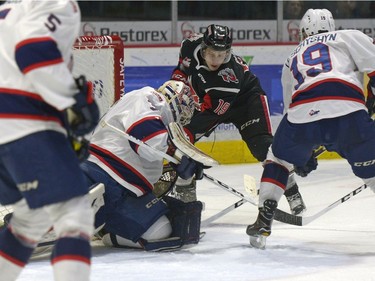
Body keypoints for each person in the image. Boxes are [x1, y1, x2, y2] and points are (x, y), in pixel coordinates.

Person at [246, 8, 375, 249]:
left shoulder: (291, 57)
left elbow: (290, 108)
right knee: (372, 170)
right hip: (348, 110)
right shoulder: (348, 36)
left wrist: (300, 155)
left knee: (278, 158)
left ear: (303, 32)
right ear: (332, 26)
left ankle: (264, 218)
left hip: (302, 116)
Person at [0, 0, 100, 280]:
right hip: (21, 122)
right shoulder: (58, 3)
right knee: (74, 214)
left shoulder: (10, 10)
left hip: (9, 126)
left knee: (31, 220)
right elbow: (33, 53)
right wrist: (73, 101)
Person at [170, 24, 307, 215]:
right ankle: (185, 193)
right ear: (202, 48)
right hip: (212, 101)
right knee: (183, 141)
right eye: (212, 54)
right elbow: (181, 70)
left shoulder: (228, 80)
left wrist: (186, 133)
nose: (216, 60)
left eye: (222, 55)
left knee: (263, 148)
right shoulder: (189, 45)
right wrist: (177, 84)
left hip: (246, 101)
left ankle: (292, 192)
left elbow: (212, 113)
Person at [80, 80, 207, 252]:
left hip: (128, 192)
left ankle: (104, 228)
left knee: (162, 230)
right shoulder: (148, 97)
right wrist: (178, 155)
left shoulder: (160, 120)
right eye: (184, 107)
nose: (183, 117)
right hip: (100, 173)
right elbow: (148, 139)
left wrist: (180, 160)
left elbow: (153, 146)